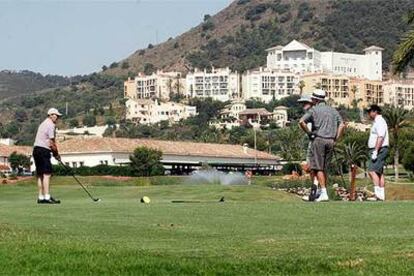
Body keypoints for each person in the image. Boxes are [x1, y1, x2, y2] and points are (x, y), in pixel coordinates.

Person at [299, 90, 345, 202]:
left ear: (315, 100)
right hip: (331, 141)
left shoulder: (314, 110)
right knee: (324, 168)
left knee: (318, 168)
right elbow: (342, 125)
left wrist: (309, 133)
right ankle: (318, 192)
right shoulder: (333, 110)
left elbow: (301, 122)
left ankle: (323, 193)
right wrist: (336, 138)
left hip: (319, 139)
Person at [33, 108, 62, 204]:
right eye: (56, 116)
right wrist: (56, 154)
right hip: (43, 150)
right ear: (51, 115)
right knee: (47, 174)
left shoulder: (43, 123)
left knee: (40, 174)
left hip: (36, 150)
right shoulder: (50, 125)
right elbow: (51, 142)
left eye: (58, 116)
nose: (57, 118)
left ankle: (41, 197)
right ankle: (47, 197)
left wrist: (54, 153)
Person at [297, 95, 319, 201]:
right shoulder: (314, 112)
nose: (302, 105)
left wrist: (309, 133)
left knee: (314, 167)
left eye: (305, 103)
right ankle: (315, 190)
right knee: (313, 169)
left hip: (315, 141)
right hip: (315, 140)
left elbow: (301, 122)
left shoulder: (313, 112)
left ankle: (316, 191)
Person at [366, 105, 389, 201]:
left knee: (372, 171)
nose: (369, 113)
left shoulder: (380, 121)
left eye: (370, 111)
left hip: (379, 149)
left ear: (375, 111)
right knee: (379, 173)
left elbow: (380, 137)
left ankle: (377, 195)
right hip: (379, 148)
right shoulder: (377, 121)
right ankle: (381, 195)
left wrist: (375, 151)